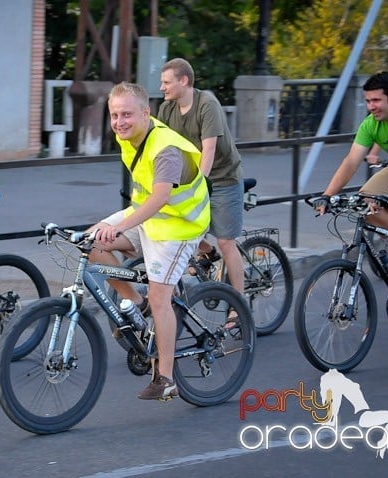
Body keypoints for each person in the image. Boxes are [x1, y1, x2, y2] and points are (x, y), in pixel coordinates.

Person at [90, 82, 210, 400]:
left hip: (179, 227)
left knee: (161, 299)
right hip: (148, 218)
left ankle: (166, 378)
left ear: (146, 112)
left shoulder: (165, 149)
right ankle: (136, 303)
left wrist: (119, 227)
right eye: (115, 115)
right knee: (89, 243)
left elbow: (159, 198)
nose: (120, 122)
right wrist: (111, 226)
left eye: (127, 114)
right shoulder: (127, 136)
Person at [157, 58, 245, 327]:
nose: (162, 88)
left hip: (222, 178)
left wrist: (200, 185)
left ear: (184, 81)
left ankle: (238, 306)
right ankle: (206, 252)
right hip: (191, 180)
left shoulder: (207, 104)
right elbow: (158, 146)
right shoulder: (166, 109)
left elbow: (209, 149)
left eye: (166, 82)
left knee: (227, 241)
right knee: (178, 227)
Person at [315, 71, 388, 264]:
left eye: (376, 100)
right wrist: (327, 196)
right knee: (365, 201)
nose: (371, 107)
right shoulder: (370, 124)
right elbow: (351, 161)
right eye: (368, 101)